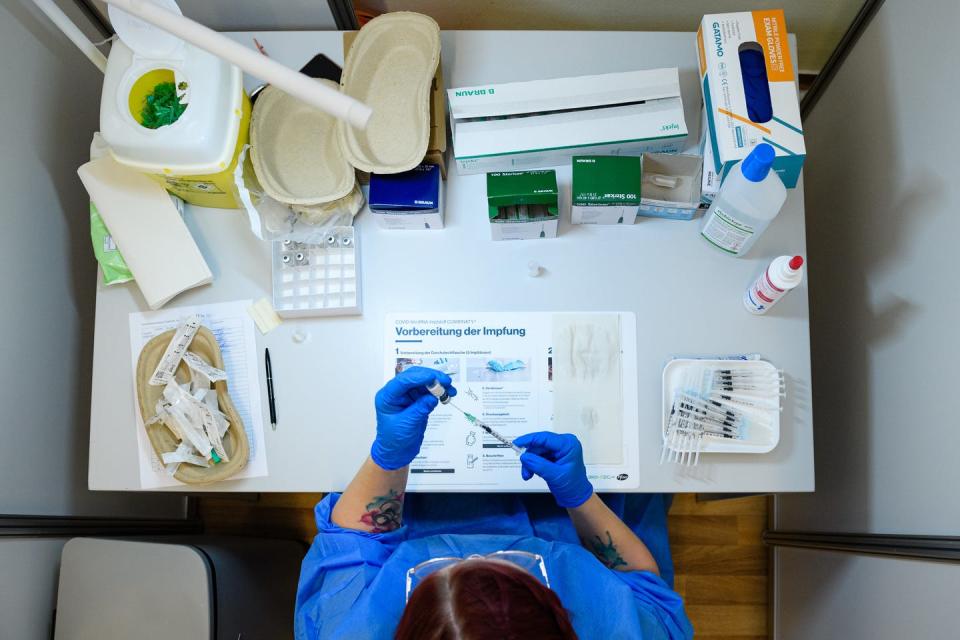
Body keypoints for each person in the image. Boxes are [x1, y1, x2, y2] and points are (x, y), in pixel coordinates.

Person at [296, 367, 693, 639]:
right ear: (559, 615)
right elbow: (644, 585)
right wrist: (581, 498)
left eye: (446, 572)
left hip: (414, 524)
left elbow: (350, 544)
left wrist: (389, 457)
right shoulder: (621, 627)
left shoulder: (348, 629)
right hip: (568, 537)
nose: (471, 555)